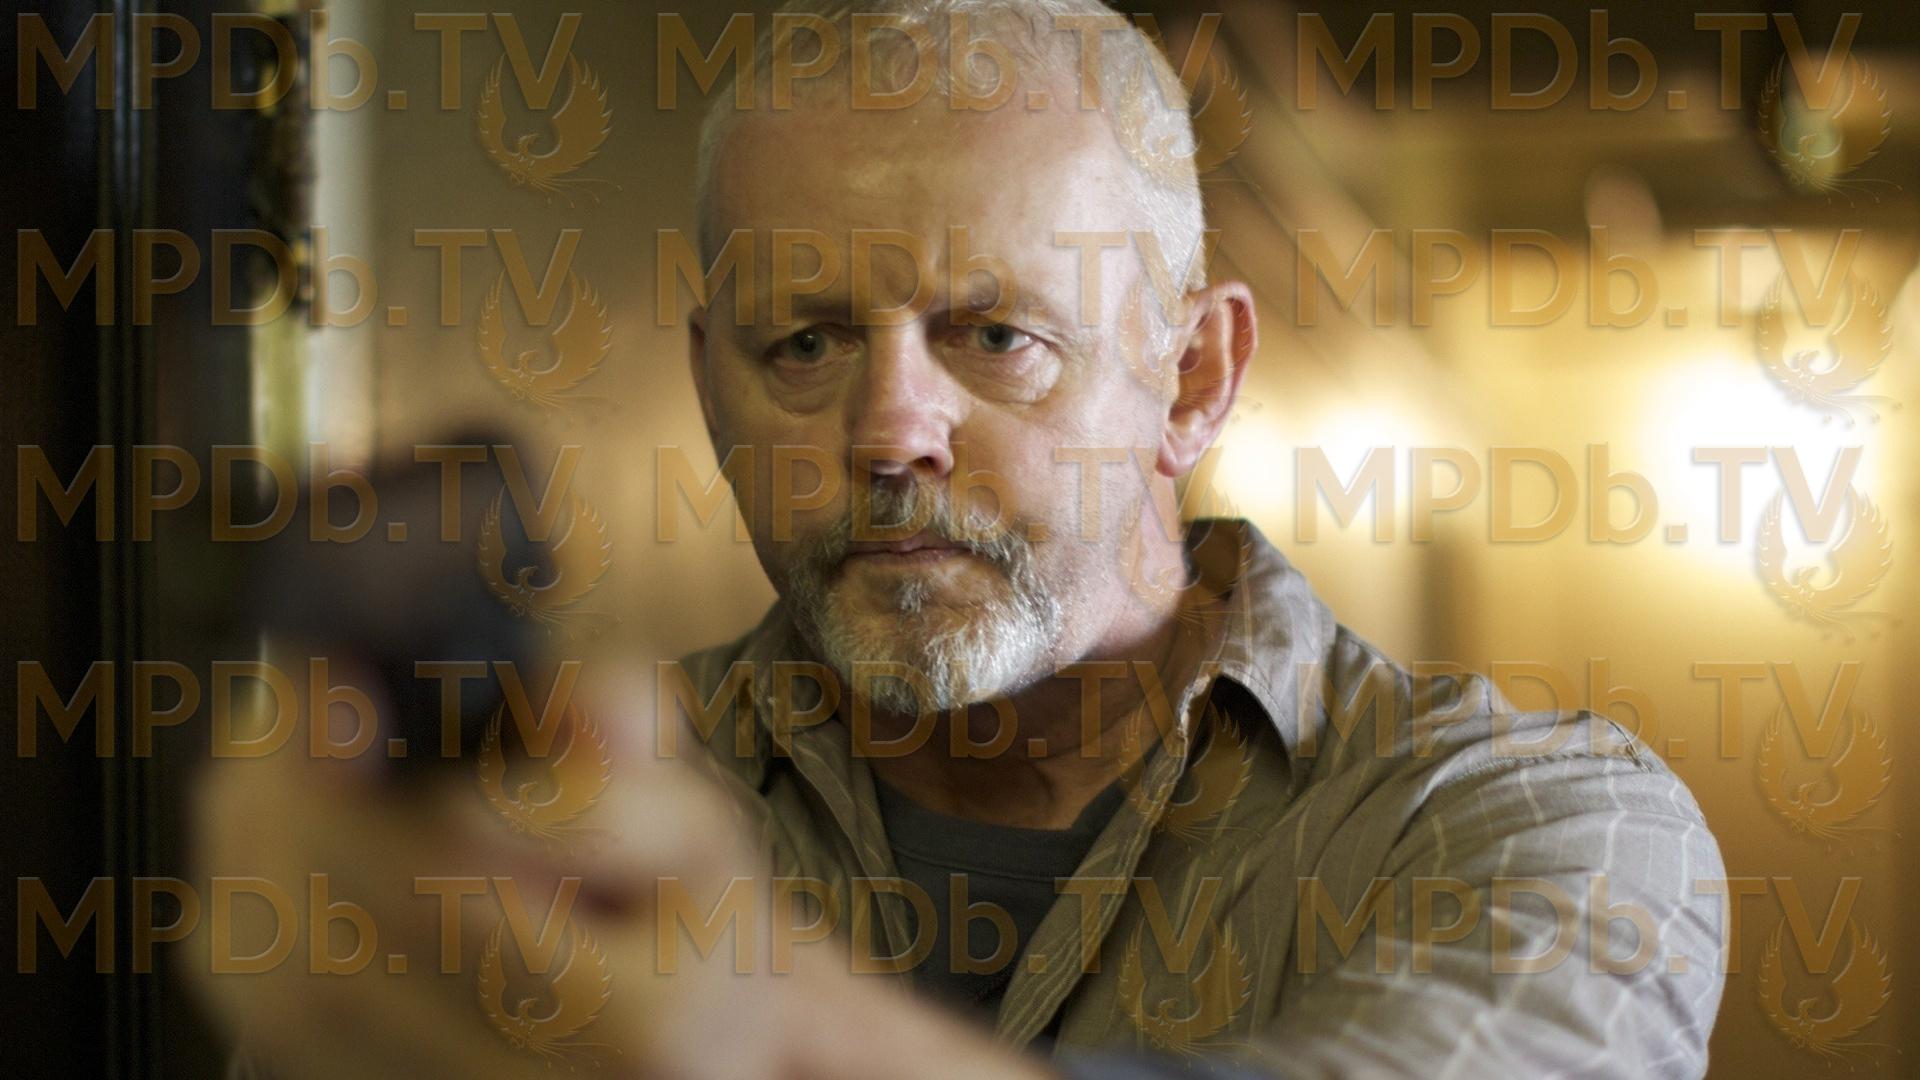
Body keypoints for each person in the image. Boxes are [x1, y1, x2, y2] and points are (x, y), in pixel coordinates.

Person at [196, 2, 1727, 1077]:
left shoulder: (1548, 829)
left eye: (997, 336)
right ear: (710, 388)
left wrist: (779, 1036)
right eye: (804, 343)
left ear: (1194, 378)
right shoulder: (558, 826)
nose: (888, 432)